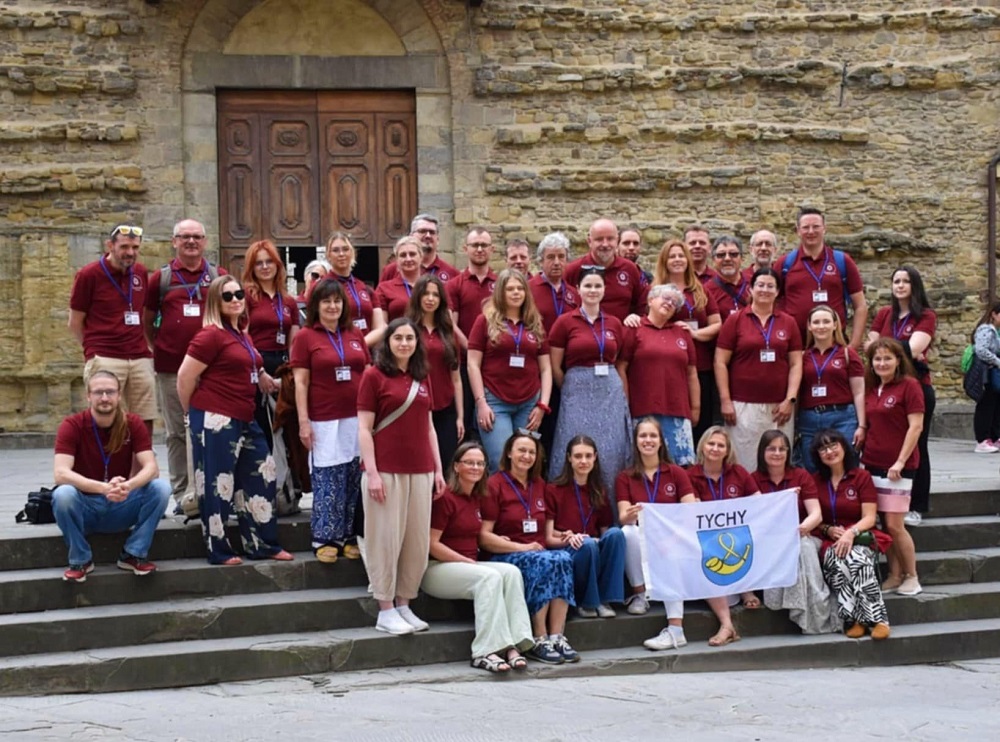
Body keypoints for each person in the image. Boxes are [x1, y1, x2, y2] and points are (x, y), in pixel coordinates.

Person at [176, 275, 293, 565]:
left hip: (244, 415)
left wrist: (265, 376)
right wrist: (190, 414)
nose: (235, 299)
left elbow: (249, 363)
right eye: (227, 296)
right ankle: (218, 548)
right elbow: (184, 377)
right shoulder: (210, 335)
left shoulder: (240, 332)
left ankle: (261, 543)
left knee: (262, 473)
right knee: (217, 482)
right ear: (216, 301)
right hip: (215, 417)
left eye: (238, 294)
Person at [357, 317, 446, 635]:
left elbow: (430, 426)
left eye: (410, 338)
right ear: (388, 342)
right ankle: (385, 608)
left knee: (415, 541)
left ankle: (404, 603)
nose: (405, 343)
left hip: (420, 470)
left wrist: (437, 468)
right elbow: (364, 429)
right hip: (387, 470)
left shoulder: (423, 377)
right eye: (398, 338)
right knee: (385, 539)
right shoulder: (373, 376)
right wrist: (373, 472)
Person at [422, 442, 534, 673]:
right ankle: (484, 651)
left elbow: (477, 536)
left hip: (468, 566)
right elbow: (432, 544)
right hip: (437, 568)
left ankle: (514, 644)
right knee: (489, 577)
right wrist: (466, 562)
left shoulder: (476, 497)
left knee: (511, 572)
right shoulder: (445, 497)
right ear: (456, 466)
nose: (475, 467)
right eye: (469, 462)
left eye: (480, 463)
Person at [52, 371, 171, 582]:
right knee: (63, 494)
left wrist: (128, 486)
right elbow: (61, 473)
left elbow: (151, 468)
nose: (105, 397)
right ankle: (80, 559)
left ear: (119, 395)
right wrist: (103, 488)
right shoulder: (72, 425)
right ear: (88, 396)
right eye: (99, 392)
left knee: (160, 488)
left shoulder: (133, 423)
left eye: (110, 392)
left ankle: (133, 553)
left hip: (122, 503)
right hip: (86, 507)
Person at [143, 219, 225, 507]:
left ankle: (215, 489)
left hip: (213, 371)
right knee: (177, 432)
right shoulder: (161, 279)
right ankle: (181, 493)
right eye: (185, 237)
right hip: (171, 369)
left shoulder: (217, 275)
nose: (191, 241)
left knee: (215, 430)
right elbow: (147, 319)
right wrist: (160, 346)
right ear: (174, 241)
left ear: (205, 241)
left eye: (197, 237)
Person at [479, 431, 578, 664]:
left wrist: (564, 535)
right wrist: (522, 547)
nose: (526, 456)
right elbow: (483, 537)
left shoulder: (540, 485)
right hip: (506, 554)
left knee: (563, 558)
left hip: (538, 552)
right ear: (510, 454)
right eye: (521, 450)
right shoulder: (495, 485)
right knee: (545, 561)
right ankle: (538, 636)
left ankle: (557, 636)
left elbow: (546, 534)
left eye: (532, 452)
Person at [290, 279, 370, 563]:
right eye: (326, 301)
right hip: (323, 418)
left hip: (356, 417)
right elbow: (300, 383)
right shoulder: (305, 337)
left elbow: (368, 371)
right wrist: (303, 422)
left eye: (337, 301)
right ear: (316, 306)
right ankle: (325, 536)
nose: (333, 306)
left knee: (352, 475)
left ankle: (348, 534)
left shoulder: (355, 334)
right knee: (327, 477)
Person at [614, 418, 697, 650]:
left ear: (661, 441)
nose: (648, 441)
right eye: (643, 436)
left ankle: (676, 630)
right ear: (636, 442)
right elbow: (623, 516)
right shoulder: (625, 476)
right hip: (642, 539)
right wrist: (631, 514)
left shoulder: (677, 473)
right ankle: (640, 594)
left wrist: (670, 540)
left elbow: (690, 514)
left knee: (673, 552)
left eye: (653, 436)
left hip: (673, 541)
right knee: (626, 532)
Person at [547, 266, 630, 490]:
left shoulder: (614, 323)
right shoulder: (565, 322)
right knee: (574, 446)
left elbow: (620, 361)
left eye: (597, 286)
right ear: (578, 289)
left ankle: (610, 512)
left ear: (604, 289)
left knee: (610, 451)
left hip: (609, 394)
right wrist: (571, 387)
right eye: (588, 286)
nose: (592, 290)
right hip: (577, 392)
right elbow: (555, 365)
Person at [69, 224, 156, 436]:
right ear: (110, 245)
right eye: (124, 246)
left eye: (135, 247)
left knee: (145, 417)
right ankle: (106, 465)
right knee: (105, 416)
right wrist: (92, 352)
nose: (130, 252)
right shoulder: (89, 274)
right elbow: (75, 321)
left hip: (139, 357)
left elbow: (143, 313)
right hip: (105, 355)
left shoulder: (141, 272)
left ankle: (141, 465)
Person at [865, 266, 936, 526]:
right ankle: (887, 503)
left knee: (918, 444)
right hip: (884, 387)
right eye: (896, 281)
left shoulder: (925, 315)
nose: (900, 285)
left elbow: (916, 348)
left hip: (915, 387)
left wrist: (884, 348)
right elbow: (869, 347)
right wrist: (896, 350)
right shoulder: (884, 314)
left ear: (914, 285)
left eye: (906, 281)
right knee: (887, 442)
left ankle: (916, 505)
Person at [751, 430, 839, 634]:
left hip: (804, 535)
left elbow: (815, 513)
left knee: (804, 547)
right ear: (762, 452)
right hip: (769, 541)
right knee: (793, 549)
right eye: (771, 448)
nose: (777, 453)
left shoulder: (800, 475)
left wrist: (804, 527)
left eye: (782, 449)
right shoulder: (753, 479)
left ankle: (818, 606)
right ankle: (807, 610)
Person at [715, 268, 803, 468]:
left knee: (776, 462)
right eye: (760, 285)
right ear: (751, 289)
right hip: (742, 406)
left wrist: (790, 399)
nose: (765, 289)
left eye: (770, 286)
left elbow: (796, 363)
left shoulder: (788, 322)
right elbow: (720, 362)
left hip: (779, 407)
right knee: (744, 463)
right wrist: (725, 400)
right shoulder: (735, 320)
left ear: (778, 291)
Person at [467, 269, 552, 473]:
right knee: (500, 462)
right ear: (500, 293)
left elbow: (546, 368)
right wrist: (481, 403)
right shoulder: (484, 321)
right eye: (510, 289)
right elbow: (472, 364)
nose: (516, 293)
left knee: (526, 461)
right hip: (495, 403)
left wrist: (542, 406)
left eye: (520, 288)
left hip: (529, 404)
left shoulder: (535, 324)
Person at [811, 429, 890, 640]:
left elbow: (870, 517)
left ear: (844, 446)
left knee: (857, 559)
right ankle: (853, 619)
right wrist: (827, 529)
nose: (829, 452)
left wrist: (850, 533)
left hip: (859, 534)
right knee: (836, 562)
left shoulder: (861, 477)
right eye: (823, 449)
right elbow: (813, 517)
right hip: (831, 539)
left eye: (833, 445)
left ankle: (877, 619)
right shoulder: (816, 481)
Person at [863, 337, 925, 597]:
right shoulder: (873, 388)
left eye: (887, 358)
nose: (882, 363)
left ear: (898, 360)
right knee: (883, 525)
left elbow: (916, 426)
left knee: (895, 524)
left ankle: (912, 575)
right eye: (877, 359)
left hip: (898, 467)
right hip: (873, 464)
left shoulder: (909, 386)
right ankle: (894, 574)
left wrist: (900, 461)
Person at [618, 284, 700, 466]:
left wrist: (695, 408)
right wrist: (625, 403)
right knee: (643, 466)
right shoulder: (635, 328)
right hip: (642, 410)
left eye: (674, 302)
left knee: (680, 468)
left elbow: (692, 373)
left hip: (677, 412)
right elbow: (621, 367)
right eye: (665, 298)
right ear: (650, 300)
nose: (669, 303)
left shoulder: (682, 333)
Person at [545, 436, 625, 618]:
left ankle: (605, 599)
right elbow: (548, 537)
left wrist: (596, 540)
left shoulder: (599, 490)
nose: (583, 461)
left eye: (588, 456)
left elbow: (606, 533)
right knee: (586, 544)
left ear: (595, 457)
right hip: (570, 549)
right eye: (578, 456)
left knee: (616, 534)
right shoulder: (554, 489)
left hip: (593, 546)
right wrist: (569, 537)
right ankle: (587, 602)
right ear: (569, 458)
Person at [653, 238, 722, 445]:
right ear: (664, 261)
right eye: (672, 256)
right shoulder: (656, 291)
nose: (677, 260)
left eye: (681, 256)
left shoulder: (701, 290)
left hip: (700, 366)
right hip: (671, 367)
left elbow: (717, 324)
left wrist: (695, 334)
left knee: (700, 423)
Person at [687, 426, 763, 614]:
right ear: (702, 446)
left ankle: (747, 589)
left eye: (721, 445)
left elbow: (759, 501)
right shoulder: (690, 474)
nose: (715, 448)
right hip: (705, 535)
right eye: (711, 443)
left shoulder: (739, 472)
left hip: (736, 532)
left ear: (727, 450)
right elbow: (694, 510)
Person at [774, 208, 867, 347]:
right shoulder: (785, 264)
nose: (811, 232)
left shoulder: (842, 261)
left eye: (816, 226)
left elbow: (860, 305)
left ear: (824, 229)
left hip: (834, 345)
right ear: (798, 231)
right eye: (806, 227)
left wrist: (853, 345)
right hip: (795, 346)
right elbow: (771, 302)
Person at [242, 240, 300, 450]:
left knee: (287, 423)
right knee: (261, 422)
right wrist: (259, 371)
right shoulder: (246, 297)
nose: (265, 267)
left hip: (282, 364)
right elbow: (243, 336)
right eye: (259, 263)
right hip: (257, 362)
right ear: (252, 268)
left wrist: (291, 374)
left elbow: (294, 340)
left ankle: (289, 479)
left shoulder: (288, 301)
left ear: (277, 265)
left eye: (269, 262)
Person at [797, 305, 866, 472]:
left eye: (826, 321)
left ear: (835, 325)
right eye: (817, 322)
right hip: (809, 419)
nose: (821, 326)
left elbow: (859, 392)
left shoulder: (848, 354)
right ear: (809, 326)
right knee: (812, 468)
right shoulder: (802, 356)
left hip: (842, 418)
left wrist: (862, 425)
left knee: (845, 467)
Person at [529, 232, 580, 457]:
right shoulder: (529, 289)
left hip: (565, 370)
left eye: (561, 256)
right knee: (537, 427)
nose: (557, 262)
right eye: (551, 257)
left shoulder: (574, 294)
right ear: (541, 260)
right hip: (535, 369)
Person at [407, 274, 464, 469]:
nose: (431, 299)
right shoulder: (407, 330)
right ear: (417, 297)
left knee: (448, 461)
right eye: (426, 294)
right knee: (421, 464)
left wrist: (460, 417)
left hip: (445, 407)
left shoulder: (448, 332)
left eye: (435, 295)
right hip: (415, 406)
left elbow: (456, 379)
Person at [447, 226, 498, 441]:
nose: (479, 249)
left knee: (492, 421)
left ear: (492, 249)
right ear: (465, 248)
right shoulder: (454, 285)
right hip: (465, 364)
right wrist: (473, 347)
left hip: (496, 364)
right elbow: (450, 323)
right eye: (475, 245)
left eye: (484, 245)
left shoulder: (500, 285)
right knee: (467, 421)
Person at [564, 218, 644, 322]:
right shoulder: (573, 270)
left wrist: (635, 318)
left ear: (617, 240)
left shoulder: (630, 269)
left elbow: (641, 305)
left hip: (621, 335)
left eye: (610, 239)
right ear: (589, 241)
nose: (605, 244)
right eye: (599, 239)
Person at [380, 213, 456, 283]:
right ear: (411, 236)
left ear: (438, 239)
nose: (428, 236)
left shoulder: (452, 274)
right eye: (422, 231)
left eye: (432, 232)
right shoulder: (391, 270)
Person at [326, 232, 375, 333]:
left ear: (352, 253)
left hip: (365, 346)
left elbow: (380, 327)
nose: (341, 254)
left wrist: (360, 344)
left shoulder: (364, 287)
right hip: (337, 346)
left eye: (345, 249)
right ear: (328, 255)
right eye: (335, 250)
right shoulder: (321, 286)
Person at [374, 236, 424, 326]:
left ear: (421, 257)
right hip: (398, 338)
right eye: (403, 255)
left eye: (412, 254)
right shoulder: (384, 288)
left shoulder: (431, 286)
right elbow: (381, 325)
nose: (408, 259)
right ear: (396, 260)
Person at [971, 302, 1000, 453]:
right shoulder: (986, 329)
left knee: (995, 406)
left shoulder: (995, 331)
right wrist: (997, 361)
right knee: (986, 406)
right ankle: (982, 440)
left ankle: (994, 438)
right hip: (985, 375)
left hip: (993, 374)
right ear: (994, 314)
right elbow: (981, 350)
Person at [705, 236, 750, 324]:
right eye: (721, 255)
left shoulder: (755, 284)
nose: (727, 258)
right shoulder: (706, 291)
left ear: (742, 258)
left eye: (733, 254)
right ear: (713, 260)